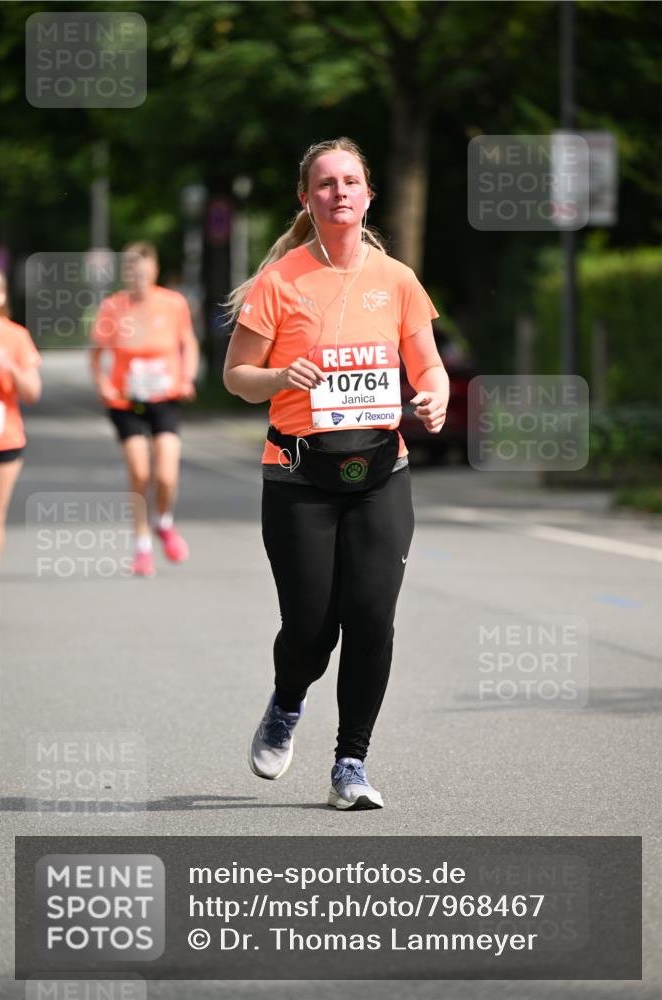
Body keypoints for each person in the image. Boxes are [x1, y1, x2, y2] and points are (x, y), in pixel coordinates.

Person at [223, 138, 449, 810]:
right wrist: (276, 375)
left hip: (382, 470)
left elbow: (428, 363)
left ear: (369, 194)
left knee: (371, 616)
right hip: (297, 476)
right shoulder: (280, 282)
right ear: (306, 198)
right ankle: (287, 701)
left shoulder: (397, 279)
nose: (340, 192)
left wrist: (432, 391)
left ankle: (350, 763)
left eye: (351, 181)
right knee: (310, 630)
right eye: (325, 184)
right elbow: (236, 377)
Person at [90, 242, 199, 577]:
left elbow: (187, 342)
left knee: (166, 474)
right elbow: (95, 354)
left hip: (164, 397)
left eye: (143, 272)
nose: (137, 279)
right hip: (126, 400)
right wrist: (104, 385)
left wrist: (187, 377)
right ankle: (142, 547)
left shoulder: (173, 303)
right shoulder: (113, 307)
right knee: (140, 472)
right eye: (131, 273)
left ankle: (163, 522)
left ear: (153, 271)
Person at [0, 269, 42, 558]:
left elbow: (32, 393)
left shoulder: (15, 336)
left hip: (4, 439)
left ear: (0, 297)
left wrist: (9, 366)